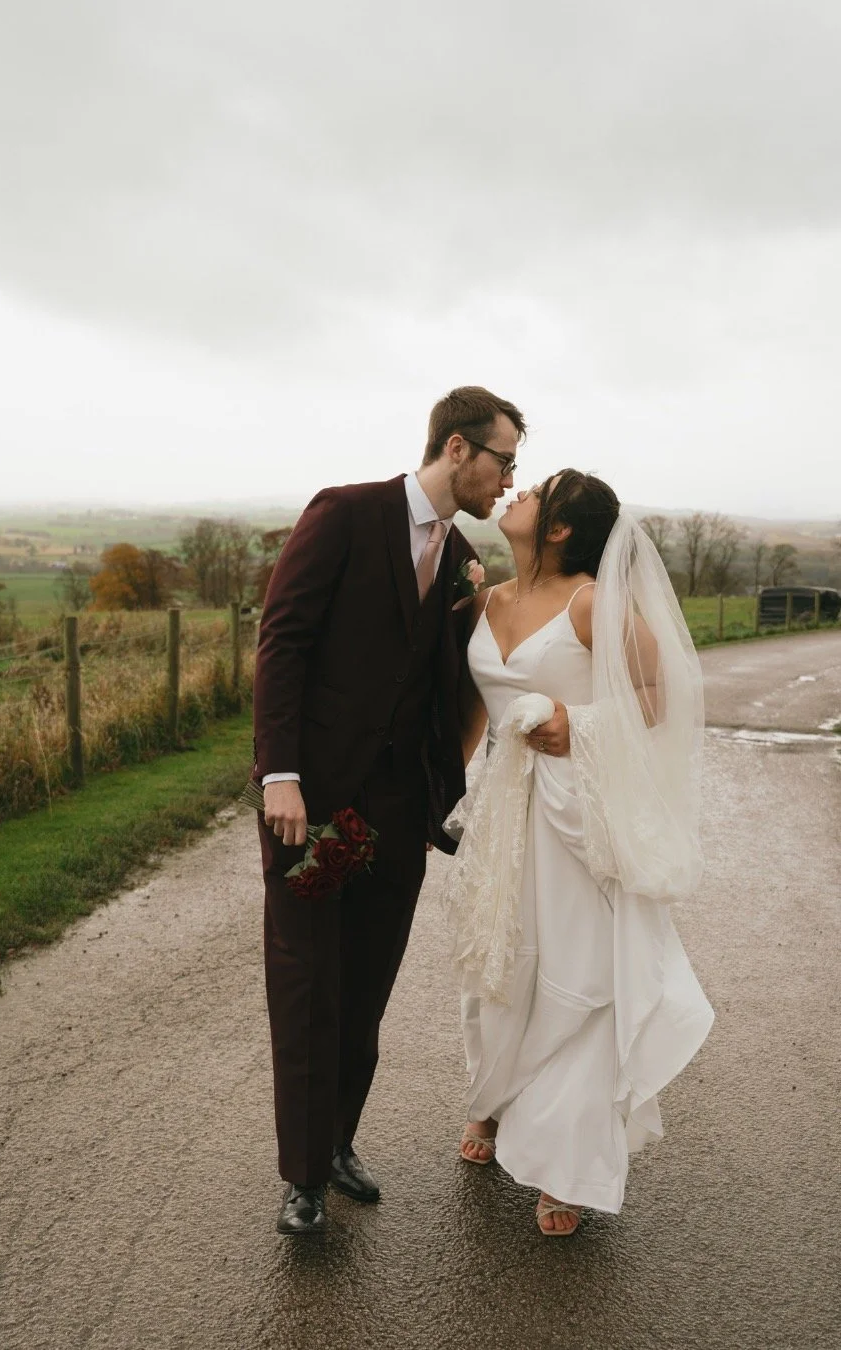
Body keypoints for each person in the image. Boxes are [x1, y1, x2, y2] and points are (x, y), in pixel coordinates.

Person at [252, 385, 526, 1235]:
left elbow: (439, 678)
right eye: (503, 460)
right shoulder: (343, 514)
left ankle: (337, 1143)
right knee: (307, 987)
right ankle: (302, 1181)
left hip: (400, 815)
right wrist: (280, 775)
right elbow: (283, 643)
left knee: (365, 990)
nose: (510, 480)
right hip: (315, 806)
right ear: (455, 449)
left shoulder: (457, 556)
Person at [443, 470, 714, 1235]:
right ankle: (491, 1102)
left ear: (561, 528)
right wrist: (446, 796)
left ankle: (569, 1161)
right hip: (502, 812)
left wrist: (578, 722)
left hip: (572, 813)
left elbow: (663, 695)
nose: (517, 490)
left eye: (537, 489)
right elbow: (474, 712)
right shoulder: (488, 599)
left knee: (572, 974)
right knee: (495, 964)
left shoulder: (592, 601)